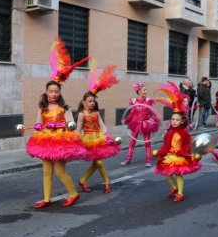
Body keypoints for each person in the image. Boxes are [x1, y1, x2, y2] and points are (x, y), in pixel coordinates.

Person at [26, 37, 87, 208]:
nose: (53, 94)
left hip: (61, 141)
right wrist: (38, 126)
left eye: (56, 92)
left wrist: (68, 125)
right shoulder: (42, 107)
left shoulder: (64, 107)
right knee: (46, 171)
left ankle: (73, 194)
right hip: (45, 141)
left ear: (59, 93)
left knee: (59, 171)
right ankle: (46, 199)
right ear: (46, 92)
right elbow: (38, 123)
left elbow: (70, 123)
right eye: (50, 91)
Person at [154, 82, 202, 202]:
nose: (174, 121)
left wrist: (183, 152)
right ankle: (174, 187)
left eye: (177, 120)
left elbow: (187, 144)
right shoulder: (169, 132)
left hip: (180, 155)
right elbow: (166, 145)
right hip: (170, 155)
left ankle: (180, 193)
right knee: (165, 172)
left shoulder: (184, 133)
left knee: (178, 174)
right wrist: (161, 152)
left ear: (181, 122)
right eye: (173, 119)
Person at [77, 63, 120, 193]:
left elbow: (102, 125)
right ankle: (106, 182)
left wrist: (107, 136)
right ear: (84, 102)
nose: (92, 103)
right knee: (98, 163)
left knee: (97, 163)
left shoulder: (96, 113)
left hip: (99, 138)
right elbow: (78, 128)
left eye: (93, 101)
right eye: (90, 101)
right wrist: (75, 139)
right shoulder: (81, 114)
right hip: (88, 140)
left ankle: (83, 181)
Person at [121, 82, 160, 167]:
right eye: (144, 90)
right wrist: (126, 120)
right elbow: (132, 114)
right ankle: (128, 159)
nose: (146, 91)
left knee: (147, 142)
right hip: (135, 123)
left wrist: (157, 118)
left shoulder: (148, 100)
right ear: (139, 91)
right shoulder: (134, 101)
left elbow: (152, 111)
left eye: (146, 90)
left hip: (146, 123)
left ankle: (148, 160)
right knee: (132, 142)